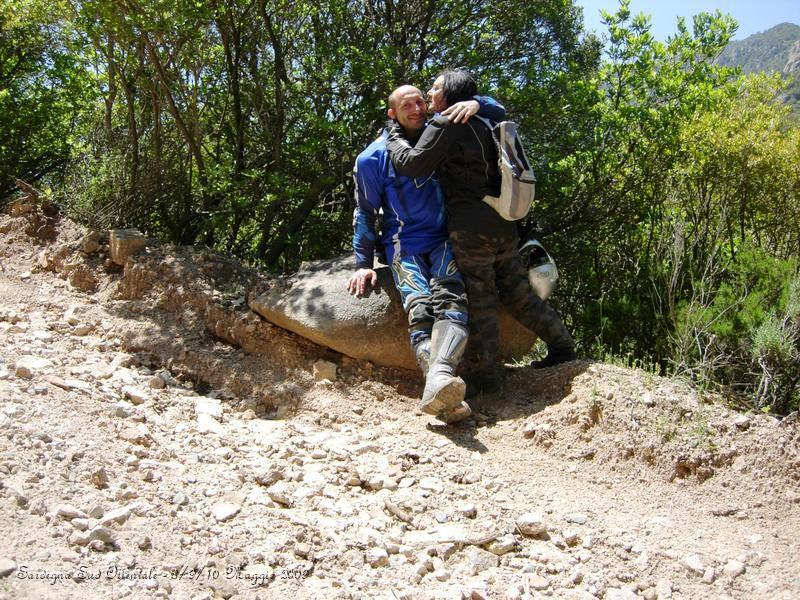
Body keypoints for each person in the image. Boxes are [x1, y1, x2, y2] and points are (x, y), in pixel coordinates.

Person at [385, 69, 576, 396]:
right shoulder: (486, 120)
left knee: (480, 300)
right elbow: (496, 109)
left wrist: (392, 134)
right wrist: (478, 102)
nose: (430, 94)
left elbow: (411, 163)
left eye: (435, 89)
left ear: (449, 97)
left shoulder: (448, 125)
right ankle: (563, 346)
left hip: (471, 230)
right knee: (518, 294)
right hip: (504, 225)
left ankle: (487, 377)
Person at [348, 85, 503, 421]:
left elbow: (498, 110)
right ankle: (441, 387)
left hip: (444, 240)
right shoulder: (372, 157)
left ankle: (438, 380)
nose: (418, 109)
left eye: (421, 101)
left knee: (453, 301)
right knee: (420, 309)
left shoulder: (440, 135)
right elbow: (365, 211)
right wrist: (363, 263)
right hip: (405, 248)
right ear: (393, 114)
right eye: (408, 106)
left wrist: (476, 102)